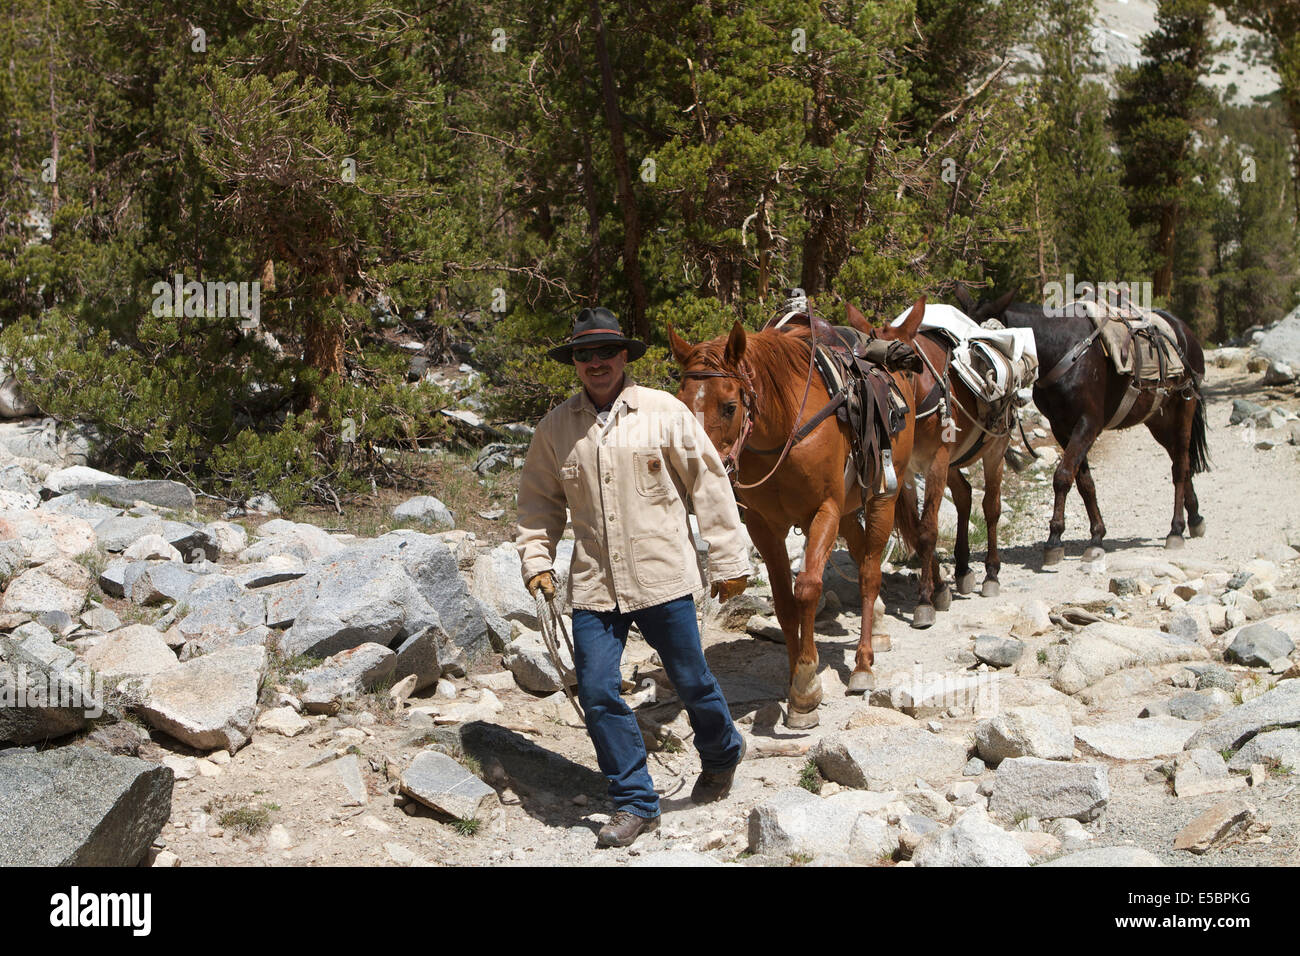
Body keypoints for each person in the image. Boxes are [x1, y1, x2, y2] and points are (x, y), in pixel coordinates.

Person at [515, 306, 752, 848]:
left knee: (691, 680)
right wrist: (537, 562)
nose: (595, 363)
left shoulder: (664, 411)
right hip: (595, 585)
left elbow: (709, 483)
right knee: (598, 692)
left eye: (605, 352)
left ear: (624, 356)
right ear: (574, 362)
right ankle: (636, 801)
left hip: (662, 576)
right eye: (583, 354)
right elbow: (538, 506)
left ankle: (721, 751)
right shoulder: (555, 429)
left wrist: (729, 559)